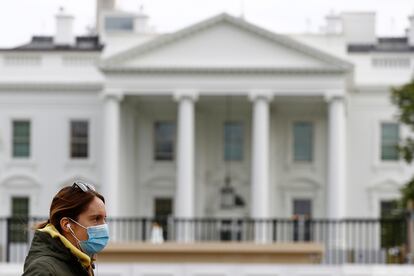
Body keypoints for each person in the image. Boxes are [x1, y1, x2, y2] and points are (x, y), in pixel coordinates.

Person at [22, 181, 109, 276]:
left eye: (104, 219)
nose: (103, 225)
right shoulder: (43, 270)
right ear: (66, 224)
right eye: (96, 218)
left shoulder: (81, 262)